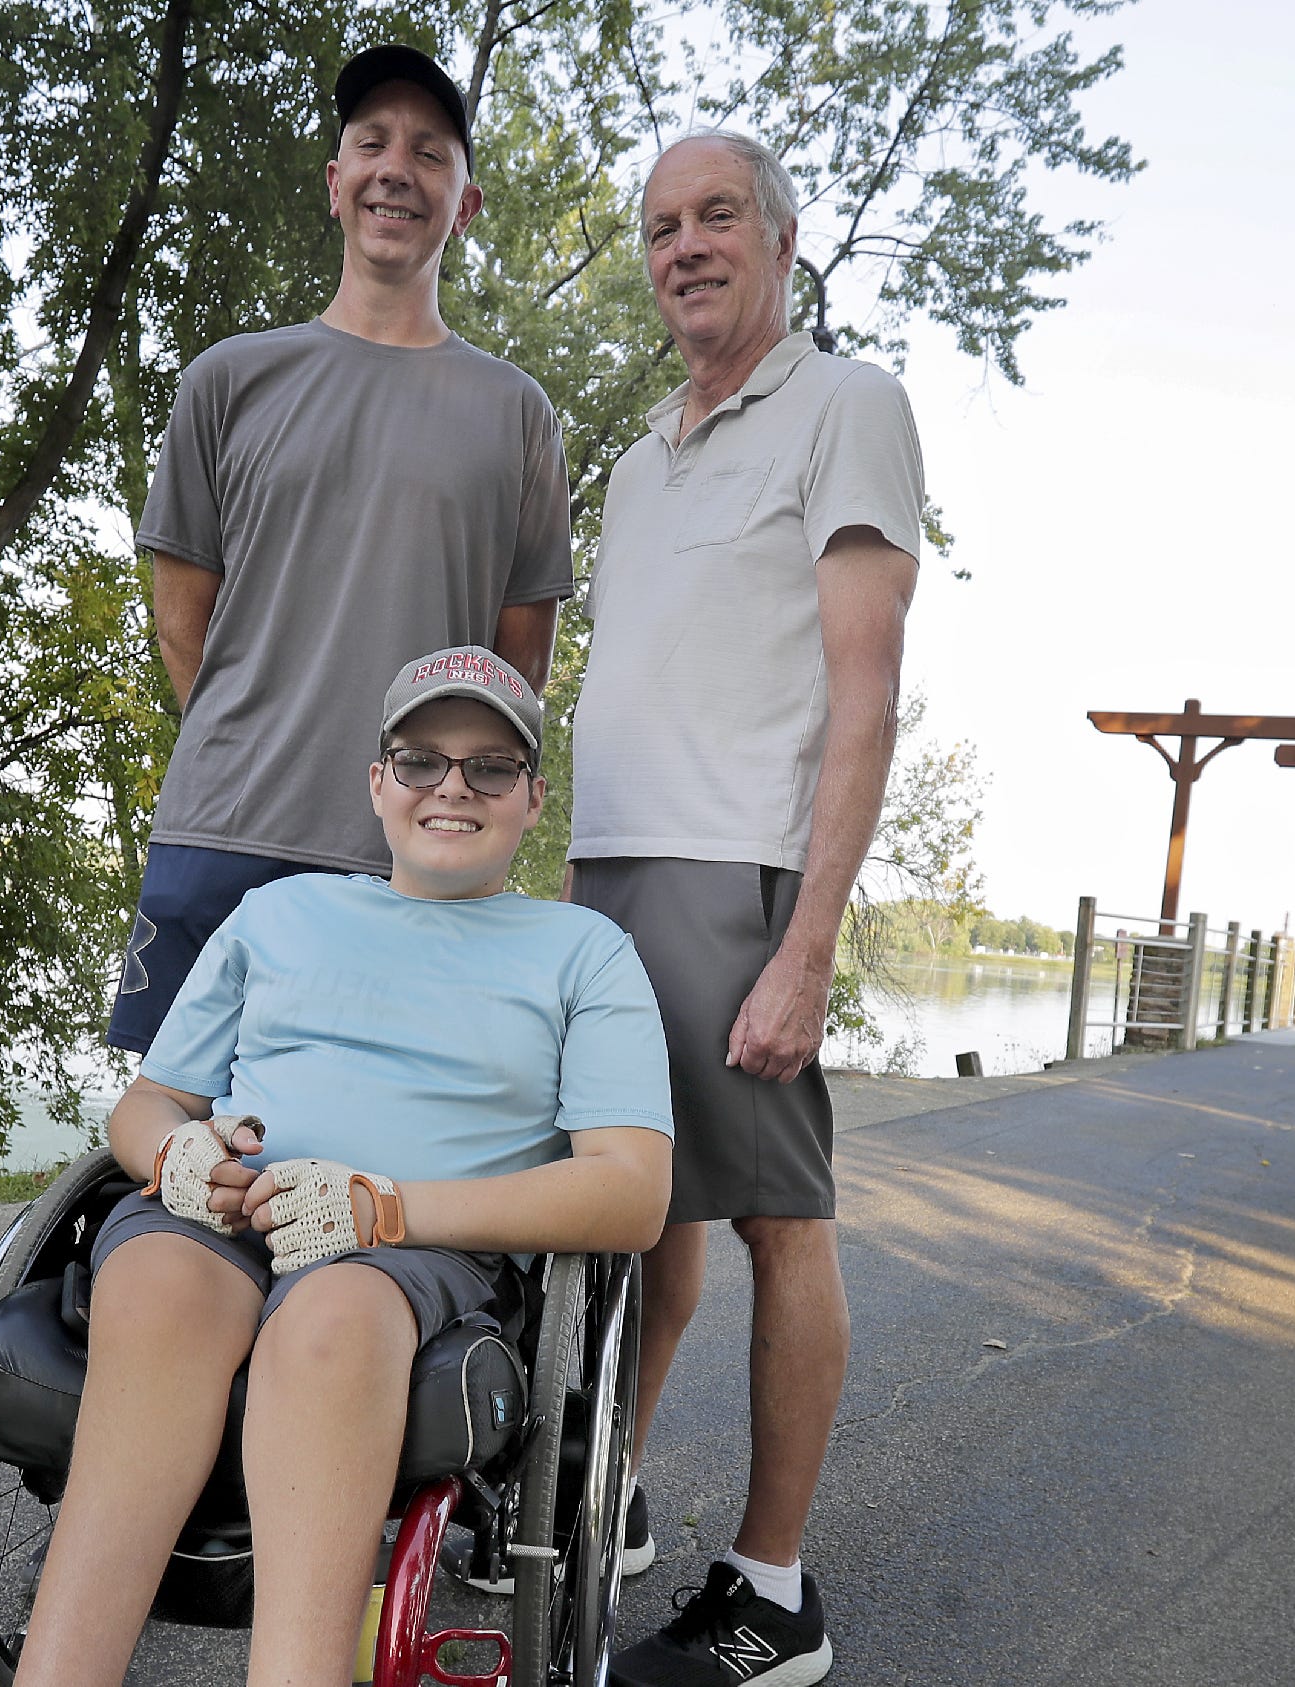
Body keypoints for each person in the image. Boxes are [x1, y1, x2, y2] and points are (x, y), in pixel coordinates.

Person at [13, 648, 675, 1687]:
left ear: (532, 800)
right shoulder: (276, 914)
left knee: (331, 1322)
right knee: (152, 1281)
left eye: (489, 767)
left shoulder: (584, 952)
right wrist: (176, 1154)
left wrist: (383, 1209)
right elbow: (147, 1103)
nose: (451, 785)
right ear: (378, 784)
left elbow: (631, 1193)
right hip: (224, 1212)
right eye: (420, 759)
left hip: (417, 1254)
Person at [565, 130, 926, 1687]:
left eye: (717, 215)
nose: (684, 245)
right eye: (660, 226)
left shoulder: (845, 404)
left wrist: (806, 943)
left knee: (777, 1216)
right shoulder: (643, 459)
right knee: (641, 1202)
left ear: (781, 239)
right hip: (605, 868)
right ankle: (606, 1494)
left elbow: (866, 685)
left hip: (738, 869)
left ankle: (770, 1596)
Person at [106, 44, 574, 1059]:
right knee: (187, 1162)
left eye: (428, 152)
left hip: (412, 856)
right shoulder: (228, 382)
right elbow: (182, 623)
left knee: (371, 1180)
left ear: (466, 203)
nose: (395, 168)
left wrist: (430, 796)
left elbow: (515, 667)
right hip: (222, 832)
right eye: (371, 143)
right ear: (334, 184)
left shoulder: (518, 415)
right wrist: (274, 752)